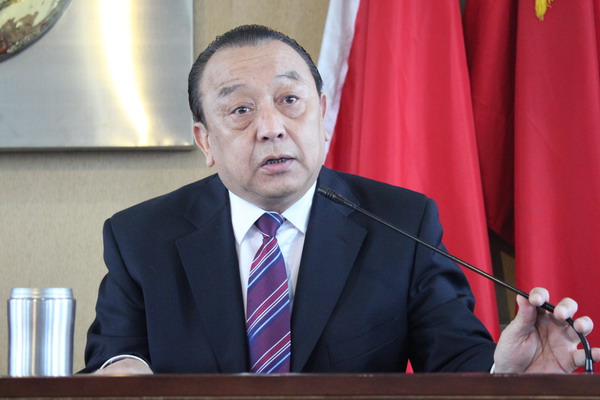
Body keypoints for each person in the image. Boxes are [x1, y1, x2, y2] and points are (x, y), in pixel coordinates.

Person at [84, 25, 599, 375]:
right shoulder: (141, 237)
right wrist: (122, 374)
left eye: (290, 100)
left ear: (323, 115)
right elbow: (114, 359)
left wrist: (507, 375)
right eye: (240, 110)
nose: (271, 128)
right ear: (205, 141)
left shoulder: (403, 223)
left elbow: (455, 361)